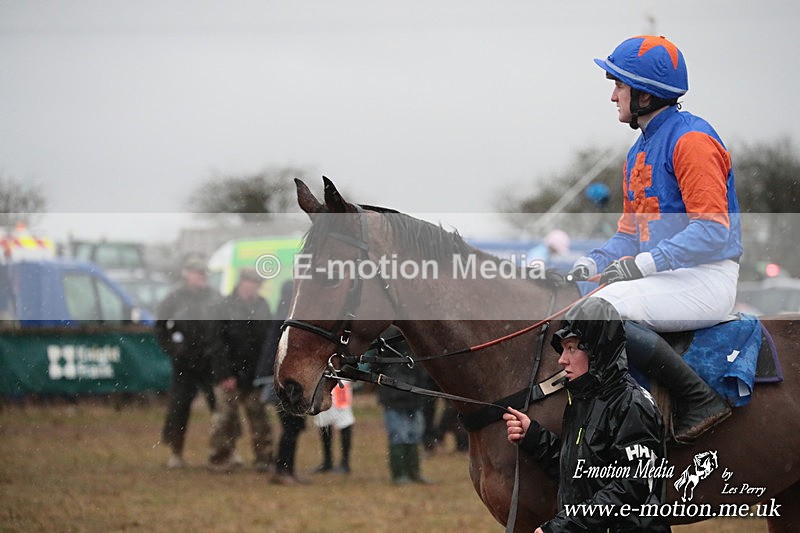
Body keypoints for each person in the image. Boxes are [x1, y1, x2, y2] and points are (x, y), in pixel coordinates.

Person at [567, 35, 742, 442]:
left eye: (619, 86)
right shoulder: (637, 151)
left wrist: (644, 264)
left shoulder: (692, 140)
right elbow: (629, 235)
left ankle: (700, 400)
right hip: (667, 278)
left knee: (599, 312)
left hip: (707, 279)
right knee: (580, 301)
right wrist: (590, 263)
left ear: (644, 95)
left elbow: (712, 229)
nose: (613, 96)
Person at [504, 298, 669, 533]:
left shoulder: (633, 404)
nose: (562, 359)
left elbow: (631, 488)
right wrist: (533, 436)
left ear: (597, 350)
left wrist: (561, 528)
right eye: (563, 349)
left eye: (571, 348)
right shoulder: (581, 401)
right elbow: (581, 474)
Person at [155, 257, 222, 469]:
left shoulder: (215, 297)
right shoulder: (174, 298)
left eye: (203, 273)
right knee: (179, 406)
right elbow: (160, 327)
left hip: (210, 360)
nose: (201, 277)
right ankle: (176, 452)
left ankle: (225, 450)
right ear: (187, 274)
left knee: (219, 406)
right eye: (197, 273)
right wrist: (174, 349)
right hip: (184, 362)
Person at [208, 268, 274, 472]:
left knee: (260, 418)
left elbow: (268, 340)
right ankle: (221, 457)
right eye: (252, 282)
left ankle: (264, 458)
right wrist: (225, 374)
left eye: (258, 283)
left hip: (255, 374)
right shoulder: (224, 306)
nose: (255, 287)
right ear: (242, 282)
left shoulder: (263, 306)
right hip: (230, 374)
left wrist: (265, 371)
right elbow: (216, 343)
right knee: (224, 419)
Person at [253, 282, 310, 486]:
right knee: (291, 425)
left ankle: (286, 470)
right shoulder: (289, 320)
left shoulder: (285, 316)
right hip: (282, 379)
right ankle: (282, 470)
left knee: (293, 425)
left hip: (281, 377)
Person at [370, 326, 433, 485]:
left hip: (414, 394)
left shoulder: (415, 336)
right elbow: (378, 364)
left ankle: (413, 472)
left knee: (414, 435)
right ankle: (400, 473)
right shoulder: (389, 337)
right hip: (394, 395)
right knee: (399, 435)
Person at [312, 380, 354, 474]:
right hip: (322, 383)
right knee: (323, 421)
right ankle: (327, 461)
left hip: (339, 382)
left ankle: (345, 462)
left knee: (344, 421)